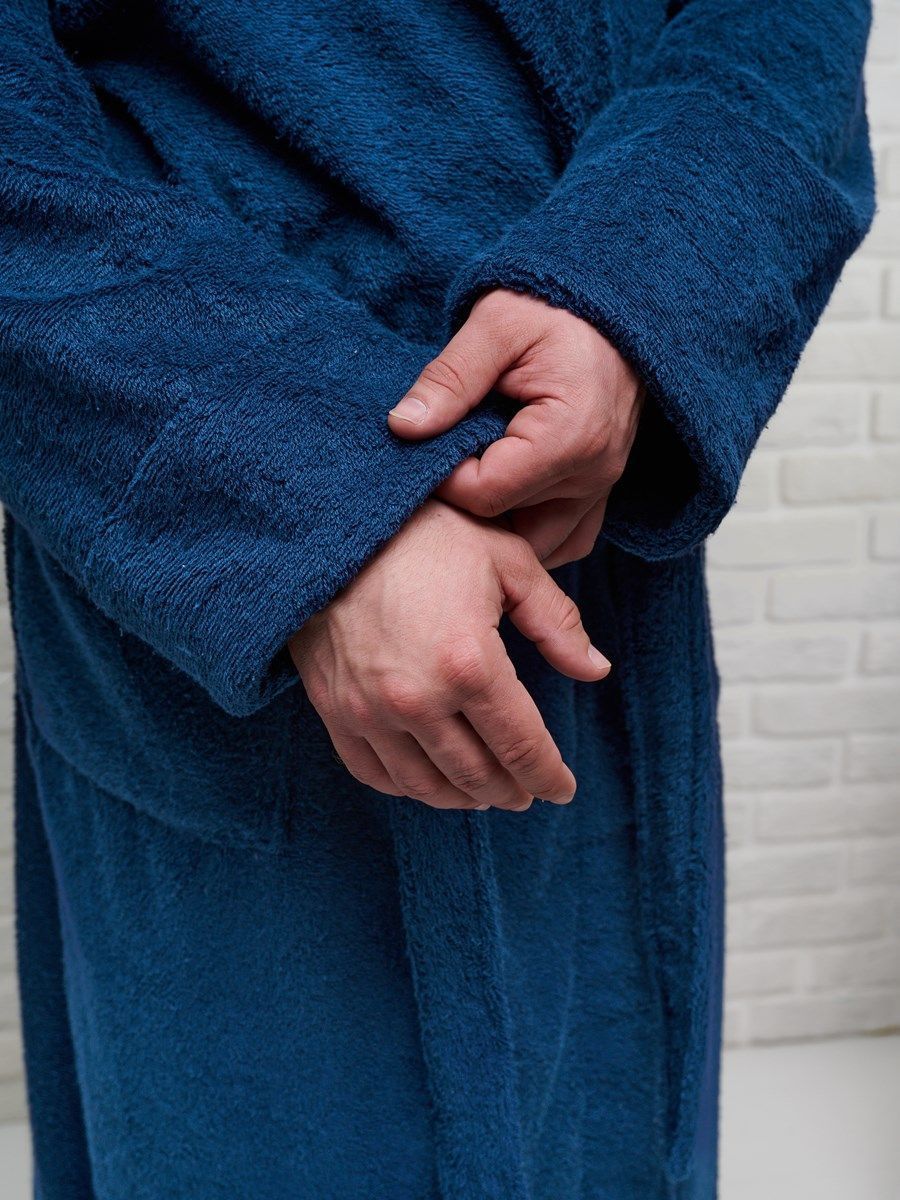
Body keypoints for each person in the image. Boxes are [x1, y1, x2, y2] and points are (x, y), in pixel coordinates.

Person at [0, 1, 873, 1197]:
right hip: (207, 546)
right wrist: (307, 492)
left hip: (590, 493)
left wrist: (638, 287)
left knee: (604, 1109)